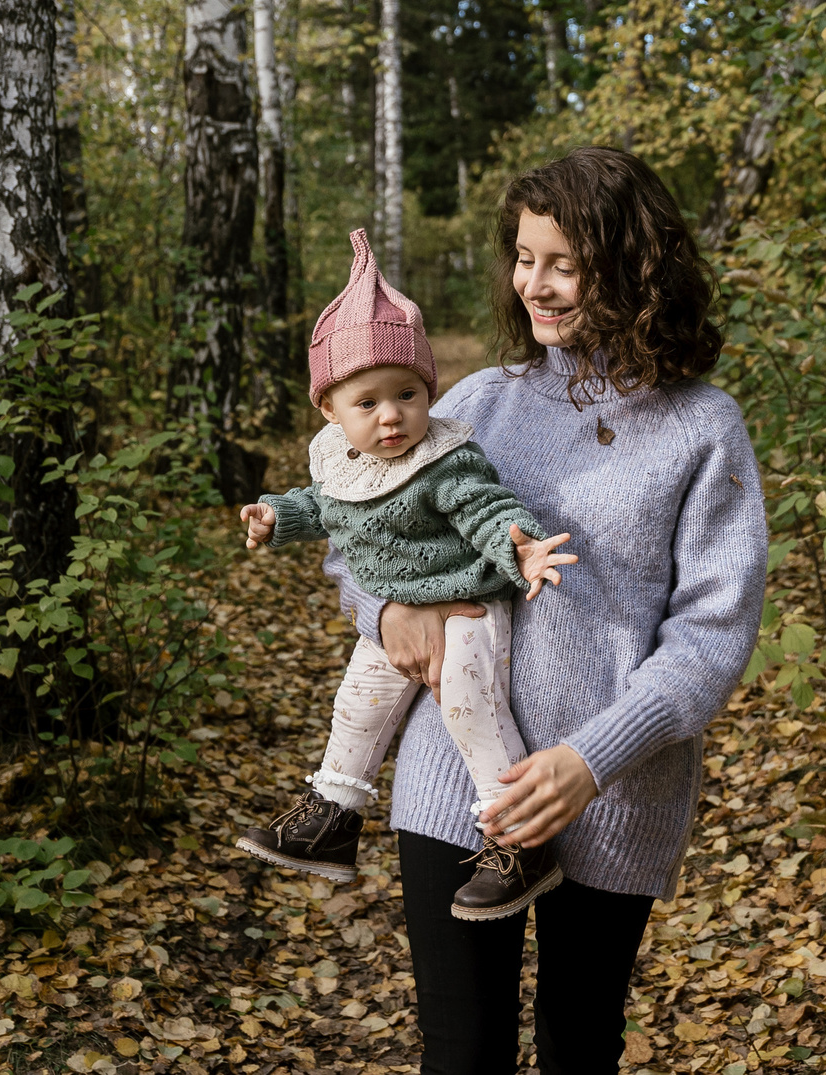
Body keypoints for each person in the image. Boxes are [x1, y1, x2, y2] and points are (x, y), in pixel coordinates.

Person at [324, 146, 769, 1075]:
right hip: (455, 781)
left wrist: (589, 761)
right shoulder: (479, 404)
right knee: (461, 1053)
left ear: (632, 264)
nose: (536, 284)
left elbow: (711, 633)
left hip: (610, 790)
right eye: (524, 258)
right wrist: (388, 612)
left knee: (579, 1049)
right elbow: (358, 532)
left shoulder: (702, 426)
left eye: (563, 262)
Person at [237, 229, 578, 920]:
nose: (392, 415)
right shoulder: (342, 459)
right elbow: (323, 507)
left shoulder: (446, 460)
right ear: (330, 410)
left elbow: (489, 509)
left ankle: (519, 838)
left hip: (471, 605)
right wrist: (276, 517)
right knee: (357, 702)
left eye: (409, 393)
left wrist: (523, 548)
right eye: (369, 403)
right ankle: (333, 814)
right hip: (399, 606)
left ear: (429, 391)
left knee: (469, 704)